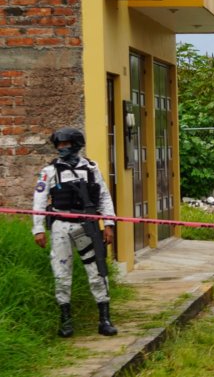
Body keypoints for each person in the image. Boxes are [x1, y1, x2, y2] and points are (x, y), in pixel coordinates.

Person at [32, 127, 119, 338]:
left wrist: (109, 224)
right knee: (62, 274)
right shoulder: (49, 171)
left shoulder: (91, 168)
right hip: (61, 226)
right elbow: (39, 200)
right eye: (59, 145)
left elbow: (104, 196)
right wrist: (38, 229)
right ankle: (66, 321)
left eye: (66, 144)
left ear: (76, 144)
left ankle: (104, 319)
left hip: (87, 226)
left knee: (98, 271)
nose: (62, 148)